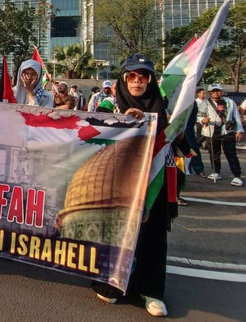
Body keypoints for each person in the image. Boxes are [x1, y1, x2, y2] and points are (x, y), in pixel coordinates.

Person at [93, 53, 173, 317]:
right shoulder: (108, 105)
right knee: (114, 230)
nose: (137, 81)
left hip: (153, 179)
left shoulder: (164, 107)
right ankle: (110, 283)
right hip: (117, 179)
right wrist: (123, 123)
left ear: (150, 80)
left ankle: (151, 290)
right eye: (132, 76)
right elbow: (92, 134)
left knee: (152, 233)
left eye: (143, 76)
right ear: (123, 78)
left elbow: (176, 139)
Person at [197, 83, 243, 186]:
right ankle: (216, 172)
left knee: (231, 154)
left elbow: (236, 116)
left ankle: (237, 175)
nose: (216, 93)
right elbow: (199, 115)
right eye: (213, 91)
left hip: (227, 131)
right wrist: (202, 120)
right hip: (211, 131)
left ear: (222, 91)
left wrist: (239, 130)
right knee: (214, 153)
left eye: (218, 90)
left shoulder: (230, 102)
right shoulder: (205, 103)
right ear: (210, 93)